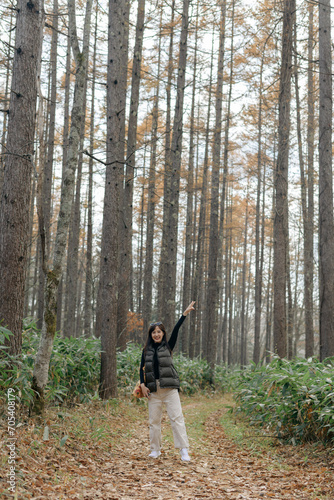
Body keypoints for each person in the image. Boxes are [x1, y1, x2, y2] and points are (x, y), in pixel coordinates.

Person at [140, 301, 195, 462]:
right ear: (150, 335)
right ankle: (155, 450)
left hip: (170, 389)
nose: (156, 334)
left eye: (159, 332)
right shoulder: (146, 350)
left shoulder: (168, 346)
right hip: (153, 391)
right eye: (153, 332)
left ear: (163, 333)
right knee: (154, 422)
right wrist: (142, 384)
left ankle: (184, 450)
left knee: (177, 419)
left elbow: (177, 329)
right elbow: (141, 368)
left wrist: (184, 314)